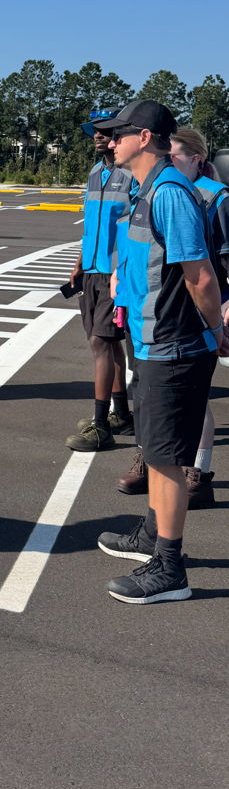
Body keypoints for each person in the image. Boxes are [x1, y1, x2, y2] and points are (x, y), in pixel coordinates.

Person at [94, 100, 229, 604]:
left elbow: (199, 273)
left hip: (174, 345)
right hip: (154, 340)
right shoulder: (144, 188)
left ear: (145, 137)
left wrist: (215, 327)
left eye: (118, 133)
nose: (110, 141)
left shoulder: (169, 192)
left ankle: (169, 570)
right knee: (154, 449)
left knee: (168, 458)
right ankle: (152, 535)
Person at [65, 108, 134, 452]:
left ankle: (101, 423)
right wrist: (78, 265)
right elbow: (91, 225)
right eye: (94, 130)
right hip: (91, 270)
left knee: (101, 344)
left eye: (105, 131)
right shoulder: (95, 173)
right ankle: (120, 413)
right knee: (109, 343)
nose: (97, 135)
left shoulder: (132, 175)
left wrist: (122, 273)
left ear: (121, 135)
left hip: (115, 273)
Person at [169, 127, 229, 506]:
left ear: (196, 158)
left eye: (173, 154)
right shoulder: (173, 193)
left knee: (198, 396)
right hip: (180, 310)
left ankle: (199, 473)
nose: (167, 162)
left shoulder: (217, 197)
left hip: (211, 310)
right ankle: (185, 469)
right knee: (190, 397)